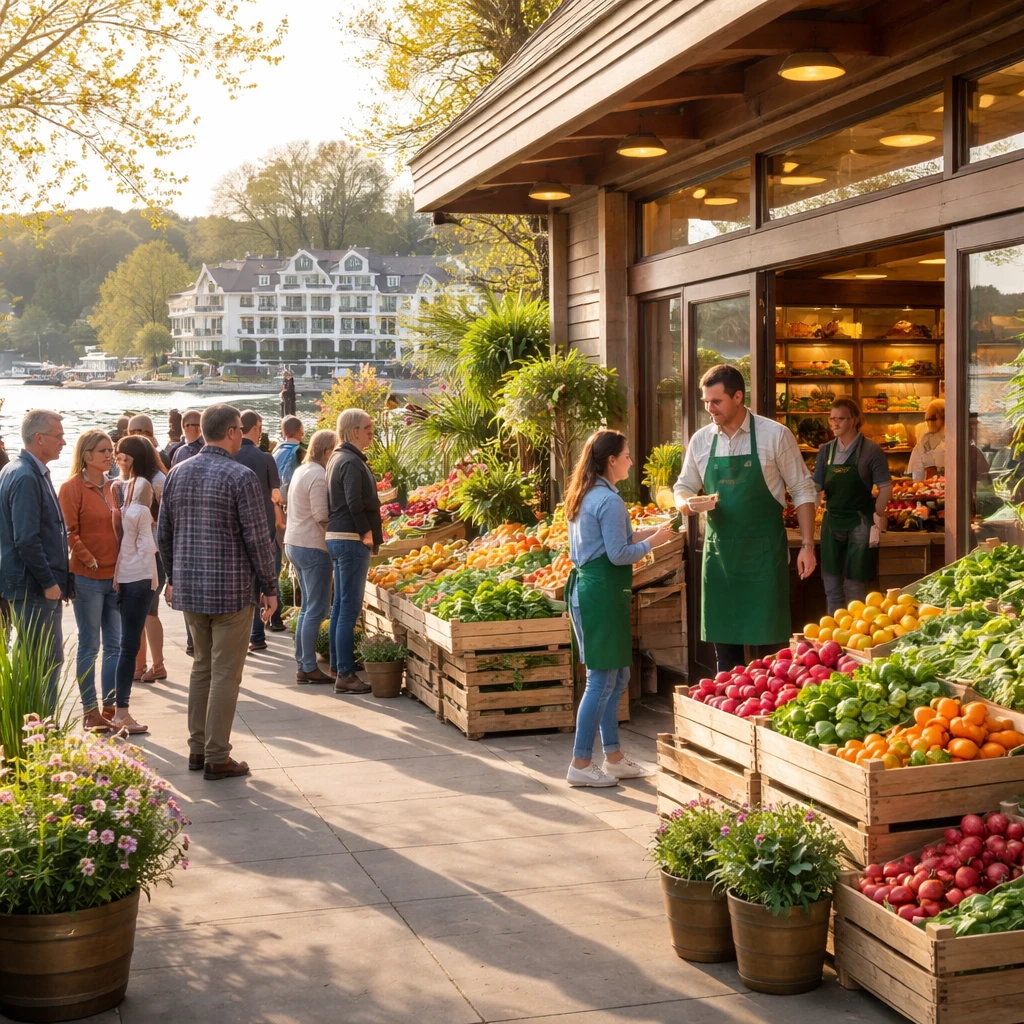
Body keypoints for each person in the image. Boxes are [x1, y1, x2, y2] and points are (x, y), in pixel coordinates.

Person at [157, 403, 279, 781]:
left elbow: (164, 534)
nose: (242, 435)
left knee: (202, 669)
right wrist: (270, 587)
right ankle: (216, 755)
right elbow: (259, 539)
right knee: (226, 673)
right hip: (231, 589)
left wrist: (175, 577)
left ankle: (198, 749)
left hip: (192, 588)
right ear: (230, 432)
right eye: (240, 429)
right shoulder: (240, 476)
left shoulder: (177, 472)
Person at [675, 364, 817, 674]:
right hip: (720, 559)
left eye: (716, 401)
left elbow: (804, 489)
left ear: (738, 397)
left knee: (771, 657)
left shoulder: (774, 435)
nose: (709, 409)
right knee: (725, 660)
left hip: (763, 559)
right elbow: (683, 486)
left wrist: (807, 544)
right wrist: (686, 504)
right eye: (705, 402)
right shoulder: (701, 440)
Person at [564, 430, 675, 788]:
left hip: (593, 591)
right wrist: (654, 542)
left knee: (620, 676)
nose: (631, 460)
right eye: (627, 455)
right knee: (601, 679)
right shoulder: (609, 501)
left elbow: (612, 542)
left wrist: (645, 533)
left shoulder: (586, 493)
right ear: (611, 460)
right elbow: (618, 554)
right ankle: (581, 762)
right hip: (601, 595)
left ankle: (612, 757)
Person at [0, 410, 70, 704]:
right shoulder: (26, 475)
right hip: (35, 587)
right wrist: (49, 581)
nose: (64, 442)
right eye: (58, 436)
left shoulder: (18, 470)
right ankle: (41, 734)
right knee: (43, 663)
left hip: (31, 585)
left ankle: (32, 731)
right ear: (39, 438)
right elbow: (26, 538)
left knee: (35, 660)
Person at [58, 430, 121, 732]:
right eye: (103, 451)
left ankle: (110, 708)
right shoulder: (71, 488)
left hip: (116, 579)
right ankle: (89, 710)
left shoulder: (115, 487)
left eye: (111, 450)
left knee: (115, 645)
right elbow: (68, 532)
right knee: (89, 645)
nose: (110, 455)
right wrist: (90, 559)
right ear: (86, 455)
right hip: (87, 580)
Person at [813, 398, 892, 614]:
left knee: (854, 586)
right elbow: (816, 486)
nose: (835, 423)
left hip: (859, 522)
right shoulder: (825, 451)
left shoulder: (871, 451)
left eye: (841, 418)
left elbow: (885, 487)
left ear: (855, 420)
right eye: (832, 418)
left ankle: (854, 634)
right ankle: (834, 636)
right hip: (831, 522)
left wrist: (878, 514)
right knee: (831, 586)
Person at [325, 409, 381, 695]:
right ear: (353, 431)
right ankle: (345, 674)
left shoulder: (339, 457)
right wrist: (366, 532)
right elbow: (353, 501)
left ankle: (339, 664)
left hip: (339, 537)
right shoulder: (349, 460)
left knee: (340, 606)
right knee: (349, 608)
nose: (372, 430)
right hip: (350, 539)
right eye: (367, 426)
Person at [284, 429, 337, 683]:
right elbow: (321, 515)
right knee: (317, 609)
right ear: (326, 451)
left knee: (307, 608)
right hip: (313, 546)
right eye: (334, 450)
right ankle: (307, 666)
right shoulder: (317, 474)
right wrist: (335, 544)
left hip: (295, 542)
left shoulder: (301, 470)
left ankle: (303, 661)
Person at [114, 435, 166, 682]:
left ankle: (156, 665)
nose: (119, 461)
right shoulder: (129, 480)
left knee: (148, 611)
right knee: (137, 612)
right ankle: (142, 664)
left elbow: (168, 517)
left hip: (153, 553)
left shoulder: (156, 480)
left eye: (123, 456)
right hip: (135, 554)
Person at [110, 476, 157, 735]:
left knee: (119, 646)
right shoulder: (141, 512)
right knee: (129, 646)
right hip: (139, 578)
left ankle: (115, 711)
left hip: (119, 577)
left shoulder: (121, 510)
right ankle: (121, 713)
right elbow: (147, 547)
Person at [234, 410, 284, 647]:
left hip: (233, 526)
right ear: (256, 428)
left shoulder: (229, 455)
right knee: (260, 580)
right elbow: (276, 495)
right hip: (263, 527)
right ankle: (257, 635)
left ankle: (240, 636)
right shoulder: (265, 458)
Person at [170, 409, 203, 657]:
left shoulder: (202, 448)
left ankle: (197, 640)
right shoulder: (180, 453)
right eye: (191, 424)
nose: (195, 429)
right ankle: (193, 640)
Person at [908, 399, 946, 481]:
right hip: (931, 489)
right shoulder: (923, 441)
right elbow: (916, 473)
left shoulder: (956, 438)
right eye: (928, 420)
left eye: (933, 419)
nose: (930, 423)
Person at [273, 416, 305, 507]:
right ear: (298, 430)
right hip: (291, 500)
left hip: (276, 498)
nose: (303, 433)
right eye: (302, 429)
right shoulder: (297, 451)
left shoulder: (277, 450)